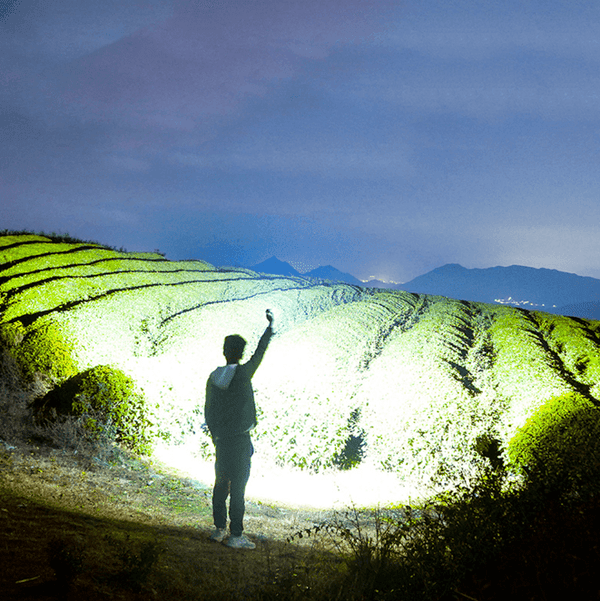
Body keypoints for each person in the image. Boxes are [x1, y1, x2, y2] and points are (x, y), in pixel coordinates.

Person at [204, 309, 275, 549]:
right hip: (241, 439)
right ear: (240, 353)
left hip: (222, 440)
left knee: (220, 484)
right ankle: (236, 535)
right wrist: (269, 329)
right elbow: (260, 354)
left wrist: (215, 435)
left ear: (224, 352)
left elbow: (208, 410)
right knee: (239, 488)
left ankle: (218, 529)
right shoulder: (244, 374)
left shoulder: (214, 377)